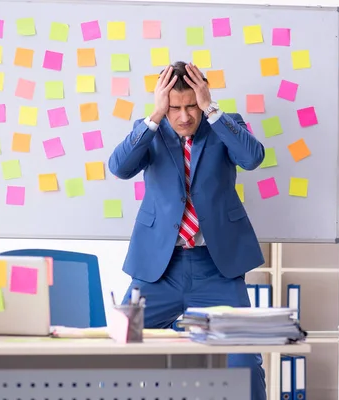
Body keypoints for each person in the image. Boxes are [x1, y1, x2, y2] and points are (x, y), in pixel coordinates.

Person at [108, 61, 267, 400]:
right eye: (175, 108)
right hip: (158, 270)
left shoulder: (225, 126)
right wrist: (155, 115)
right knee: (121, 350)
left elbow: (252, 158)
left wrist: (211, 109)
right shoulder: (149, 130)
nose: (183, 117)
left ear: (202, 98)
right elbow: (119, 168)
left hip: (217, 269)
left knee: (244, 362)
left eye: (191, 105)